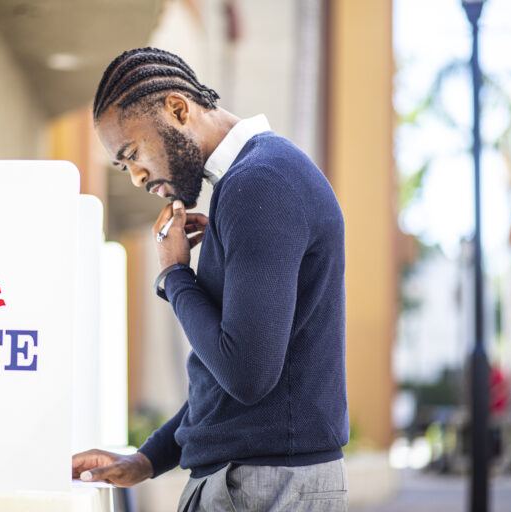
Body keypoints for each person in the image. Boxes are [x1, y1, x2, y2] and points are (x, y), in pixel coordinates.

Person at [72, 47, 349, 511]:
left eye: (133, 153)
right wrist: (147, 459)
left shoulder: (259, 183)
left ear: (178, 109)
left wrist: (175, 274)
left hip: (262, 486)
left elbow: (246, 375)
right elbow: (229, 385)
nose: (137, 177)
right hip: (262, 479)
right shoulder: (254, 181)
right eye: (124, 166)